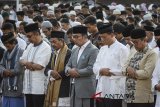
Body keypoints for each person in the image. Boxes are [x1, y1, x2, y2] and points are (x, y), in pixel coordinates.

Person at [93, 23, 129, 107]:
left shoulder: (122, 49)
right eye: (101, 37)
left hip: (115, 89)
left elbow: (125, 70)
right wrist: (100, 70)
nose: (102, 39)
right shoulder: (102, 49)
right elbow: (95, 67)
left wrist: (110, 72)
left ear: (112, 35)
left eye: (104, 37)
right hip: (101, 88)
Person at [122, 28, 157, 107]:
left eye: (136, 42)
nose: (134, 44)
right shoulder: (133, 50)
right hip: (129, 95)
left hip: (142, 98)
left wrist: (132, 72)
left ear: (144, 40)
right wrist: (128, 70)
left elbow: (146, 73)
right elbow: (124, 68)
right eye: (133, 42)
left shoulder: (151, 53)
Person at [65, 25, 99, 107]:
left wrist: (76, 72)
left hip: (86, 89)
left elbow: (92, 68)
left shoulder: (93, 50)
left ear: (84, 36)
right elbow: (67, 66)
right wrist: (69, 71)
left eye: (77, 37)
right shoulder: (75, 50)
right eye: (73, 37)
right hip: (73, 87)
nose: (74, 39)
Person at [19, 23, 51, 107]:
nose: (28, 39)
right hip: (28, 86)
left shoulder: (46, 47)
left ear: (37, 34)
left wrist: (27, 65)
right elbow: (21, 60)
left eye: (29, 36)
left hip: (38, 88)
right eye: (27, 37)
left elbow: (40, 66)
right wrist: (29, 64)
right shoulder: (30, 46)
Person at [44, 31, 71, 107]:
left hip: (64, 87)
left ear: (61, 41)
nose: (52, 44)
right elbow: (46, 69)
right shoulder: (53, 53)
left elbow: (68, 69)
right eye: (51, 42)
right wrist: (51, 72)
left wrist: (57, 74)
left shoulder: (69, 53)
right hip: (52, 84)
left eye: (54, 42)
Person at [0, 32, 24, 107]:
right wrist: (4, 71)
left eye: (8, 44)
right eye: (5, 44)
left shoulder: (21, 52)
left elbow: (18, 70)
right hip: (6, 87)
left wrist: (8, 72)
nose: (7, 46)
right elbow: (1, 65)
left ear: (14, 42)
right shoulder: (5, 53)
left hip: (17, 86)